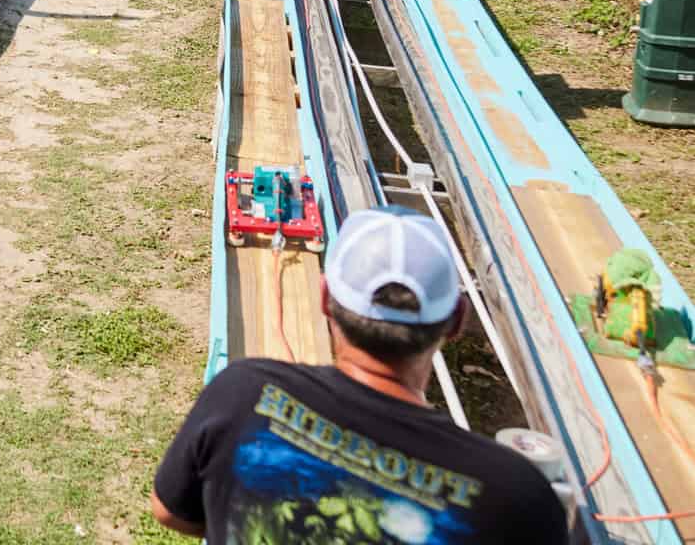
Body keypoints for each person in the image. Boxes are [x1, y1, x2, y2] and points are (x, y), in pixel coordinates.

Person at [151, 207, 567, 544]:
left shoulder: (242, 393)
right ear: (457, 320)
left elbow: (170, 510)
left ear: (325, 298)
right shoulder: (518, 496)